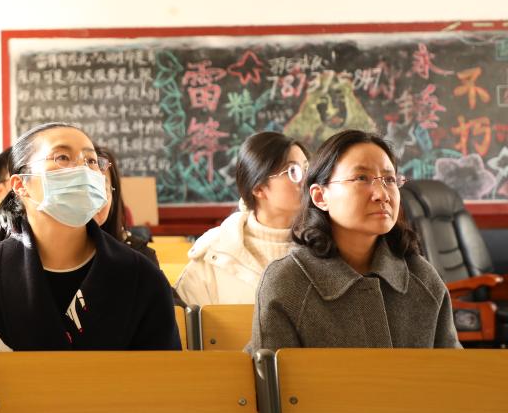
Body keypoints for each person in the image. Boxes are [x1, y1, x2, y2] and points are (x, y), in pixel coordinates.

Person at [0, 122, 181, 357]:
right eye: (62, 157)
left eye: (91, 161)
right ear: (20, 185)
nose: (83, 170)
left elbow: (164, 377)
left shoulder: (140, 276)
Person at [245, 129, 461, 353]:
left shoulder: (422, 277)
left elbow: (455, 370)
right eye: (361, 178)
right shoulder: (287, 282)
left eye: (389, 179)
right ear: (320, 196)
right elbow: (269, 373)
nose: (382, 194)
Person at [175, 132, 309, 307]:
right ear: (259, 188)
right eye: (293, 171)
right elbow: (182, 320)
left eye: (307, 169)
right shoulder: (214, 255)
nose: (308, 180)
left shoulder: (327, 244)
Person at [94, 146, 157, 263]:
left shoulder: (140, 258)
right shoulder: (58, 255)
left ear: (113, 195)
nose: (91, 199)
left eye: (100, 188)